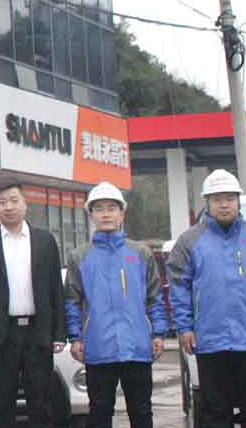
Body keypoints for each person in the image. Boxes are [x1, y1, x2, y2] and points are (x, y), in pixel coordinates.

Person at [166, 169, 246, 428]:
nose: (224, 205)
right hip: (210, 340)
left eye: (230, 198)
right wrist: (184, 327)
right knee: (215, 413)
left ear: (238, 201)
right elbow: (178, 288)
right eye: (217, 199)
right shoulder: (189, 241)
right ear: (207, 202)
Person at [64, 182, 165, 428]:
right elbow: (72, 301)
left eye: (111, 208)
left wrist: (158, 333)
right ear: (91, 215)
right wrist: (75, 338)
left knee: (141, 412)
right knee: (99, 412)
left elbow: (155, 297)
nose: (106, 214)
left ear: (122, 213)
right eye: (99, 209)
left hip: (137, 346)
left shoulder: (140, 253)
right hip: (98, 347)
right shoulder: (80, 256)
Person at [0, 180, 67, 428]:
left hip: (38, 333)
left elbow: (56, 289)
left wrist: (59, 333)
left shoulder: (45, 241)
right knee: (3, 404)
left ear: (25, 204)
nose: (9, 207)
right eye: (2, 202)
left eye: (14, 201)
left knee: (41, 402)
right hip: (2, 335)